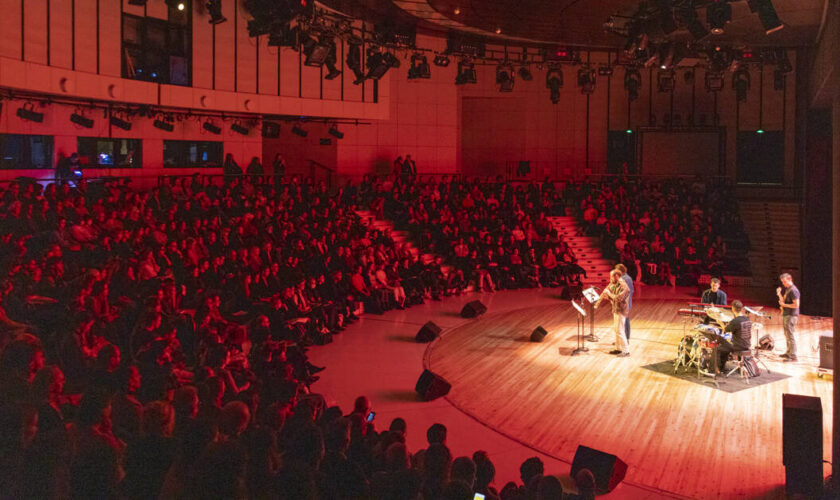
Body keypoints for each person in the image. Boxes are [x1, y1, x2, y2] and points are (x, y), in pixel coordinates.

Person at [596, 270, 630, 357]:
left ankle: (626, 351)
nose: (610, 279)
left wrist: (609, 294)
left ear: (617, 276)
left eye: (611, 277)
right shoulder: (616, 285)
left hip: (621, 310)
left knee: (620, 330)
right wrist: (607, 296)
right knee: (616, 330)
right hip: (616, 309)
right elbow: (614, 298)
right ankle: (618, 349)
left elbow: (619, 298)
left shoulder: (624, 286)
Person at [718, 300, 752, 370]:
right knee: (726, 346)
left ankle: (718, 369)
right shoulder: (747, 319)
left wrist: (720, 323)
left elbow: (726, 330)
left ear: (733, 309)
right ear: (741, 308)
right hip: (747, 345)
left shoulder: (735, 321)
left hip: (738, 347)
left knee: (718, 349)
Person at [776, 273, 800, 362]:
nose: (783, 284)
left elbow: (796, 305)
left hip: (791, 315)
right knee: (787, 334)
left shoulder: (794, 290)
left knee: (790, 335)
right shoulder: (788, 289)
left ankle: (793, 356)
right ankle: (788, 352)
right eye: (782, 282)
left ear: (790, 279)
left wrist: (784, 305)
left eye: (784, 281)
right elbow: (782, 301)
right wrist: (779, 294)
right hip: (786, 314)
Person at [615, 264, 633, 343]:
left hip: (624, 303)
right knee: (623, 321)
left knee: (624, 322)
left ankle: (626, 339)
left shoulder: (624, 279)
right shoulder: (627, 277)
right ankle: (623, 338)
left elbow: (627, 291)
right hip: (625, 302)